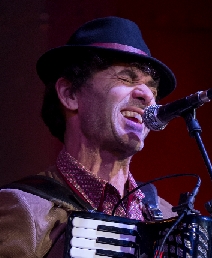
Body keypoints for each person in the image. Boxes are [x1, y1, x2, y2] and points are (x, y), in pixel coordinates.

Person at [0, 17, 177, 257]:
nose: (148, 96)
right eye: (126, 78)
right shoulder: (23, 210)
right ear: (70, 94)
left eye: (152, 89)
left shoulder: (170, 220)